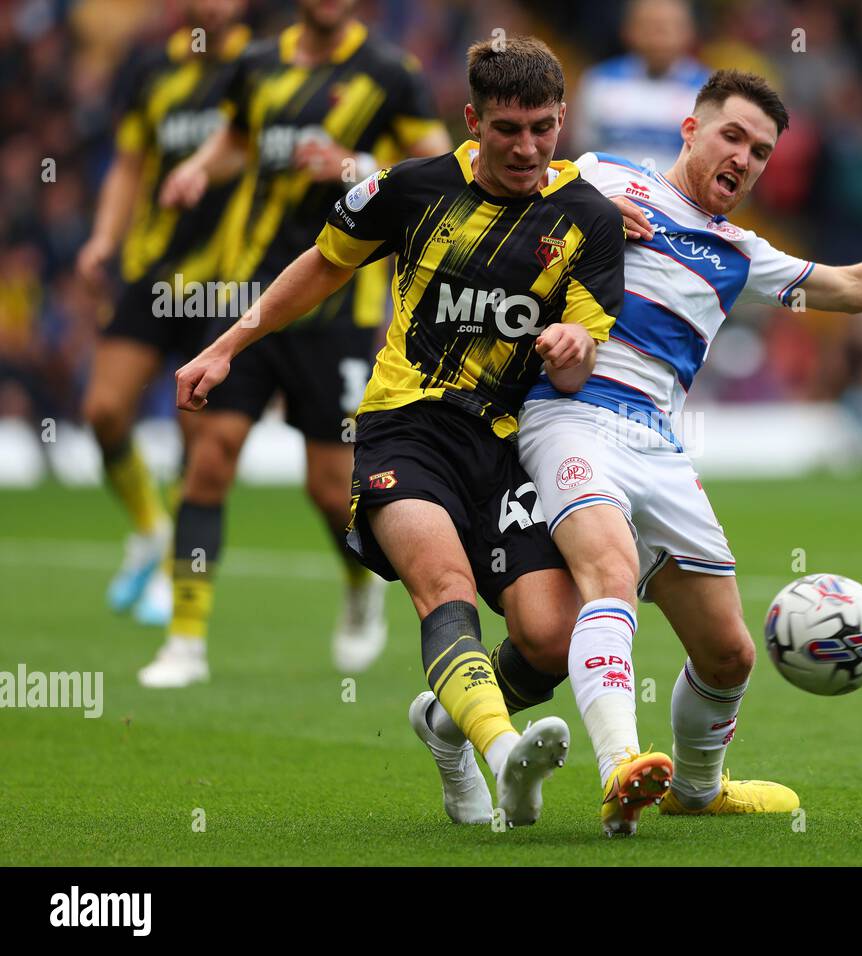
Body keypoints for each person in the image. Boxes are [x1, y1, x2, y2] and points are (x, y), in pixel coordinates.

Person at [430, 70, 862, 836]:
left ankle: (696, 787)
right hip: (570, 416)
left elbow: (852, 287)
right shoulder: (600, 175)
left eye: (760, 151)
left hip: (657, 444)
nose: (745, 159)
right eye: (732, 136)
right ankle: (621, 766)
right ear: (691, 131)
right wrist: (577, 210)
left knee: (729, 654)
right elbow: (497, 190)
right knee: (609, 580)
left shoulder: (739, 252)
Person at [173, 36, 627, 828]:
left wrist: (573, 346)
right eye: (507, 128)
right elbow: (321, 264)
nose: (526, 147)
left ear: (564, 119)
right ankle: (500, 753)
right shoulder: (411, 189)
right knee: (445, 590)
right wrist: (224, 347)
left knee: (551, 637)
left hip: (509, 443)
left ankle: (450, 731)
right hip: (404, 427)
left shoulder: (587, 217)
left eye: (543, 128)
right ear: (471, 121)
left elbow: (575, 371)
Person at [144, 0, 450, 686]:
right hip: (249, 296)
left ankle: (358, 584)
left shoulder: (389, 73)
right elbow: (234, 142)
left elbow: (440, 165)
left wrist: (358, 165)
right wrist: (199, 166)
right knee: (210, 459)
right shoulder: (256, 65)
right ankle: (185, 638)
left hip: (340, 305)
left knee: (327, 485)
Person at [77, 0, 250, 628]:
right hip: (153, 273)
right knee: (102, 409)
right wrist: (103, 238)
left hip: (226, 283)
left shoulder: (259, 69)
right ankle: (149, 528)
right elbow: (128, 166)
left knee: (197, 440)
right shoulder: (151, 72)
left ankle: (179, 582)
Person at [569, 0, 710, 172]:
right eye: (649, 25)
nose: (659, 36)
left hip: (676, 198)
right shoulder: (599, 82)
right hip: (604, 196)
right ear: (628, 29)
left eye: (668, 26)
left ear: (689, 31)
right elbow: (582, 150)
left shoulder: (709, 91)